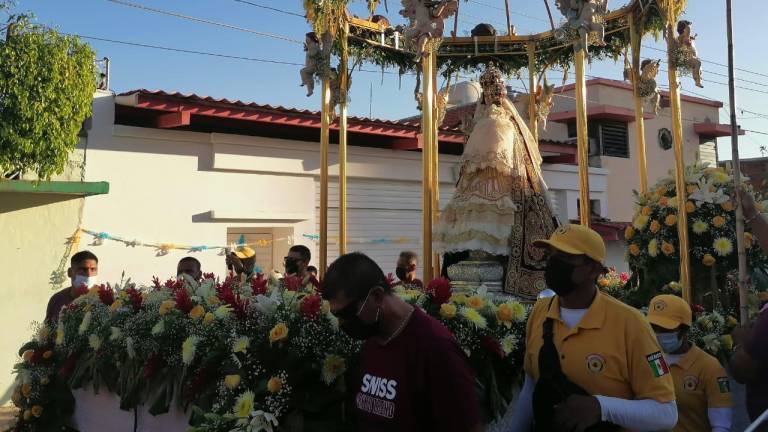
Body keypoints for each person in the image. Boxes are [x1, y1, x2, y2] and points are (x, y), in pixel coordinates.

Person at [506, 224, 677, 431]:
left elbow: (666, 413)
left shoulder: (630, 324)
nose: (553, 264)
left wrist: (601, 407)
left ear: (593, 269)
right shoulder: (540, 312)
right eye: (551, 255)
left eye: (566, 257)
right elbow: (531, 386)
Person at [434, 63, 557, 300]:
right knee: (481, 236)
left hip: (501, 193)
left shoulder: (496, 122)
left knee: (489, 234)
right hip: (492, 194)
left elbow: (491, 160)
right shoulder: (496, 122)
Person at [321, 252, 482, 432]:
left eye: (347, 313)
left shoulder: (435, 347)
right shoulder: (372, 338)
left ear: (376, 296)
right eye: (336, 316)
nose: (342, 323)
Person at [647, 294, 732, 432]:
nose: (657, 334)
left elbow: (721, 424)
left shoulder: (709, 367)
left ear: (685, 330)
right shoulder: (651, 359)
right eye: (653, 327)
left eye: (665, 329)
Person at [45, 250, 99, 322]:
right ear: (70, 272)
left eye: (93, 269)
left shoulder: (105, 299)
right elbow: (46, 330)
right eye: (83, 269)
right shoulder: (57, 299)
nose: (89, 274)